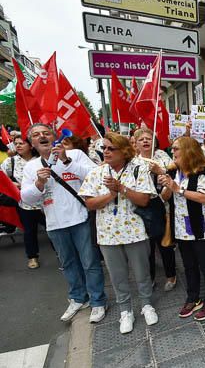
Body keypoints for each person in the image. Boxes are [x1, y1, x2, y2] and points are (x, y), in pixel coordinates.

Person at [21, 123, 107, 323]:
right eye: (36, 135)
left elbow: (97, 176)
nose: (42, 136)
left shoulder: (74, 154)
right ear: (32, 143)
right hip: (54, 223)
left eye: (46, 133)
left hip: (80, 219)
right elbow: (27, 199)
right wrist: (39, 184)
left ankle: (97, 301)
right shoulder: (31, 166)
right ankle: (78, 298)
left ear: (54, 136)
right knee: (68, 263)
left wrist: (67, 161)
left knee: (90, 262)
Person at [79, 133, 159, 333]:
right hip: (108, 234)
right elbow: (89, 204)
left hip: (135, 231)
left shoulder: (138, 170)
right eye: (104, 148)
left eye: (110, 148)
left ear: (124, 151)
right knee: (117, 276)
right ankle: (125, 311)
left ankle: (146, 305)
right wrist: (110, 195)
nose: (105, 152)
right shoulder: (96, 173)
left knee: (142, 272)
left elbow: (144, 200)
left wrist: (122, 188)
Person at [158, 137, 205, 321]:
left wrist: (178, 189)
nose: (173, 152)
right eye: (172, 148)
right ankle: (193, 298)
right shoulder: (174, 172)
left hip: (202, 229)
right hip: (181, 229)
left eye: (176, 148)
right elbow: (165, 197)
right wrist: (168, 186)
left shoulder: (203, 172)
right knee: (189, 266)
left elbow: (204, 197)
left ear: (188, 150)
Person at [134, 129, 177, 291]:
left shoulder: (163, 158)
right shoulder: (133, 162)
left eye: (149, 138)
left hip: (163, 207)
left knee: (165, 244)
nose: (145, 141)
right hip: (143, 207)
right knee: (146, 248)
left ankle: (171, 276)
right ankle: (149, 278)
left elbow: (175, 177)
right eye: (141, 139)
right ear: (136, 144)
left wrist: (160, 171)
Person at [1, 134, 45, 268]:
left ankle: (60, 253)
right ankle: (32, 257)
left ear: (31, 145)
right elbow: (2, 177)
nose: (18, 146)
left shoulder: (41, 159)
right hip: (24, 202)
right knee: (29, 230)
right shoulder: (11, 161)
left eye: (22, 143)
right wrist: (12, 184)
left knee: (53, 229)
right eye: (16, 143)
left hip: (45, 201)